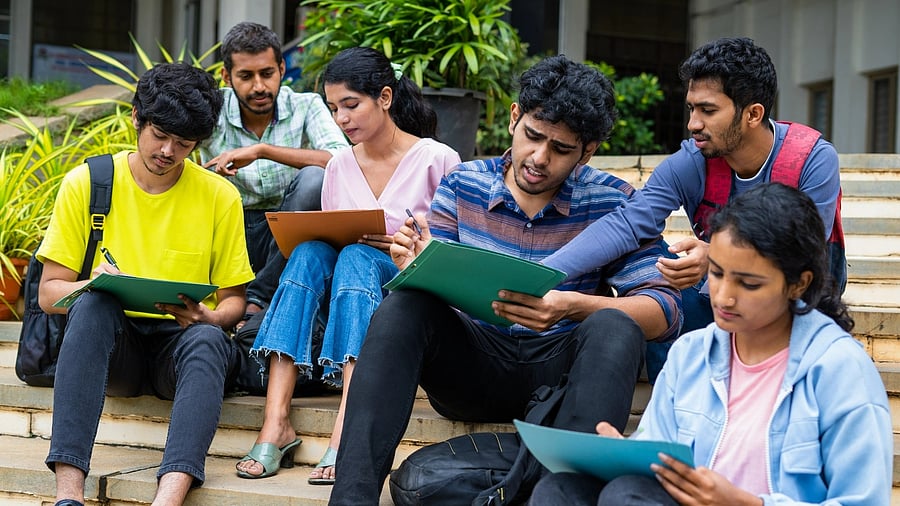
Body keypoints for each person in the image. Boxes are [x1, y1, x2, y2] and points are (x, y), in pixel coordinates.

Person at [328, 55, 683, 504]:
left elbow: (666, 309)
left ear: (587, 150)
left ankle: (567, 494)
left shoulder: (614, 200)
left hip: (563, 378)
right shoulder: (463, 184)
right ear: (515, 118)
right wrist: (416, 266)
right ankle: (351, 499)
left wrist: (574, 305)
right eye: (533, 136)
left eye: (561, 148)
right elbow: (434, 291)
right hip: (473, 367)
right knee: (403, 305)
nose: (539, 158)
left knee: (614, 324)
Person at [529, 183, 892, 506]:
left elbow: (863, 499)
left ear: (799, 284)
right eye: (716, 274)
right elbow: (658, 460)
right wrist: (627, 454)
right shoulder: (691, 354)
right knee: (561, 490)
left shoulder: (840, 370)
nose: (724, 297)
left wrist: (747, 503)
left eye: (748, 284)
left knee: (628, 497)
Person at [540, 37, 844, 381]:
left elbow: (807, 252)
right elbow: (628, 223)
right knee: (665, 299)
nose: (693, 124)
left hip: (799, 288)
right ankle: (671, 402)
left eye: (708, 110)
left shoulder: (812, 159)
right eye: (691, 108)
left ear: (753, 114)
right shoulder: (693, 160)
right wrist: (541, 274)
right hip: (718, 287)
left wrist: (719, 255)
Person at [233, 47, 460, 483]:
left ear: (386, 98)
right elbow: (334, 238)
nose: (341, 119)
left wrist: (408, 243)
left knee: (357, 256)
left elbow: (457, 245)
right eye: (334, 108)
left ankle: (346, 431)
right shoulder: (339, 164)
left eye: (351, 105)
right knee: (307, 253)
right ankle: (275, 424)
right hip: (349, 292)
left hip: (409, 292)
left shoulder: (438, 158)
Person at [38, 63, 254, 506]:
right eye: (160, 135)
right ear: (136, 117)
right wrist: (90, 285)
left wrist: (210, 316)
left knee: (210, 337)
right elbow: (47, 293)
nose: (169, 152)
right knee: (94, 305)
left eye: (185, 144)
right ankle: (68, 496)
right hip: (114, 349)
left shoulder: (220, 196)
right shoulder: (89, 183)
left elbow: (235, 300)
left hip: (179, 349)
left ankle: (167, 498)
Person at [200, 21, 349, 323]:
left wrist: (262, 151)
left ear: (282, 68)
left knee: (314, 180)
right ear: (227, 77)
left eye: (267, 73)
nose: (259, 87)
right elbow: (176, 146)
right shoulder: (212, 108)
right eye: (246, 76)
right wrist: (199, 174)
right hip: (230, 228)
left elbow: (341, 161)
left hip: (286, 232)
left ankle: (258, 300)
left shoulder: (306, 106)